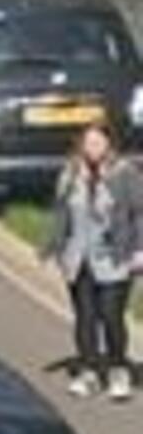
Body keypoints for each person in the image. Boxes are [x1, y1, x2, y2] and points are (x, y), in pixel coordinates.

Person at [40, 125, 141, 399]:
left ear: (109, 144)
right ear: (81, 146)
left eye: (99, 142)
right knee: (85, 317)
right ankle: (89, 371)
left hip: (114, 258)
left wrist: (138, 251)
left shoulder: (125, 173)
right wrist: (51, 246)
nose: (94, 148)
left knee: (111, 316)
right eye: (89, 143)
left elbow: (139, 212)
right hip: (79, 258)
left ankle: (118, 370)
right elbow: (60, 213)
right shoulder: (71, 174)